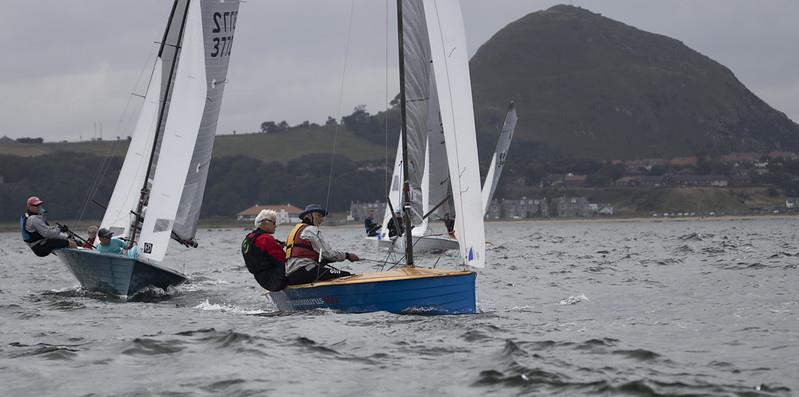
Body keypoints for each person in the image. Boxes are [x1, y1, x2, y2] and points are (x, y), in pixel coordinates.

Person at [285, 204, 360, 285]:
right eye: (319, 215)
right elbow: (329, 254)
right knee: (346, 275)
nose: (322, 219)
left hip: (290, 275)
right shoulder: (311, 230)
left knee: (326, 273)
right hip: (305, 271)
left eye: (322, 216)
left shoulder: (293, 231)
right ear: (309, 216)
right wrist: (347, 256)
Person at [241, 209, 287, 291]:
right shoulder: (265, 239)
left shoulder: (248, 238)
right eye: (274, 223)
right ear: (266, 222)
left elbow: (260, 255)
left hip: (262, 280)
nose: (275, 226)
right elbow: (282, 259)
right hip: (275, 281)